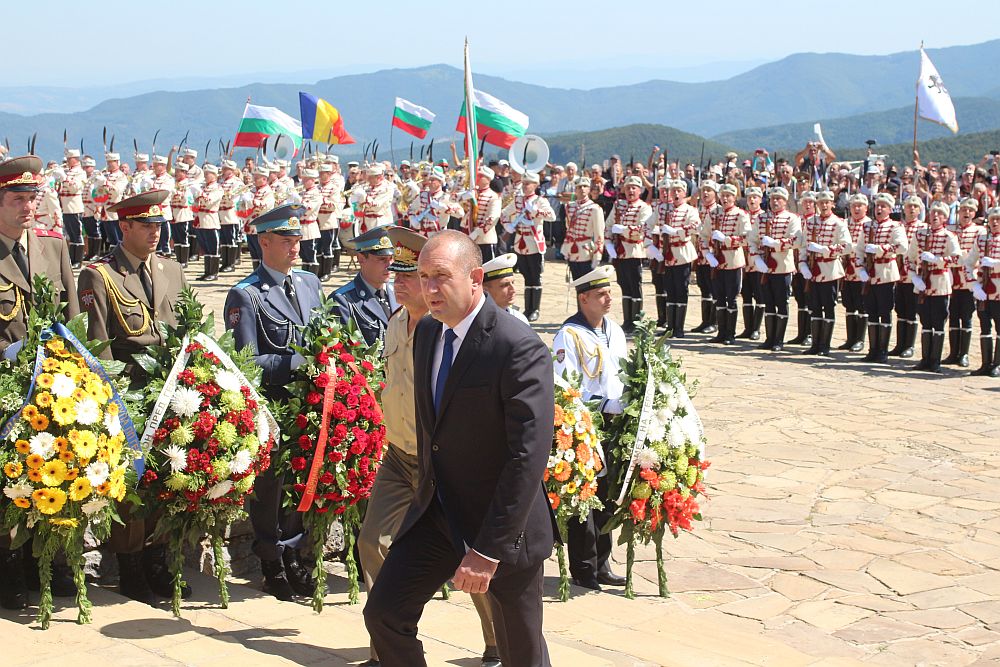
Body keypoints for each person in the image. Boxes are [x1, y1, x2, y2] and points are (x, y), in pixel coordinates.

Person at [364, 230, 556, 667]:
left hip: (501, 529)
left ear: (474, 278)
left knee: (520, 652)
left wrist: (487, 551)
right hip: (437, 515)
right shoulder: (429, 334)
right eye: (423, 276)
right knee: (384, 613)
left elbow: (526, 457)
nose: (429, 289)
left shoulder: (517, 346)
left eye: (440, 277)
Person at [358, 226, 501, 667]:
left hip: (444, 465)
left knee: (470, 555)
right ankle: (391, 635)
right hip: (400, 456)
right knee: (371, 541)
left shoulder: (449, 334)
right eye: (397, 275)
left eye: (411, 276)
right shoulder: (396, 323)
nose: (401, 283)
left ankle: (497, 643)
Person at [77, 189, 189, 604]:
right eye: (146, 225)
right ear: (124, 227)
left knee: (167, 476)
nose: (155, 232)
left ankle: (158, 559)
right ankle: (130, 567)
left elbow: (182, 329)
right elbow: (98, 343)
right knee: (132, 484)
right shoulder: (99, 273)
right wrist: (114, 401)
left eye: (159, 225)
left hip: (171, 390)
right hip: (130, 392)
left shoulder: (172, 269)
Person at [224, 204, 323, 601]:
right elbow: (247, 361)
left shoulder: (310, 283)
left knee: (303, 480)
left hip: (311, 404)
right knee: (272, 486)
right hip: (275, 405)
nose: (294, 247)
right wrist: (300, 362)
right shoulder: (246, 294)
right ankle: (270, 560)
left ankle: (295, 552)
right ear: (264, 242)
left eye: (297, 239)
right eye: (285, 240)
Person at [0, 155, 81, 610]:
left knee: (56, 468)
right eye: (17, 199)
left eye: (32, 198)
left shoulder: (52, 246)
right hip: (5, 386)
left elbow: (71, 313)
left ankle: (45, 560)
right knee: (8, 480)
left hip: (55, 385)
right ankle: (8, 565)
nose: (28, 207)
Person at [551, 265, 627, 591]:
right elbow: (565, 387)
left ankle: (602, 561)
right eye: (601, 294)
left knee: (608, 495)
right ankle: (584, 567)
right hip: (586, 425)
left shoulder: (614, 330)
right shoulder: (569, 336)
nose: (608, 299)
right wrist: (598, 408)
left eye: (609, 292)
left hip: (614, 423)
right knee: (585, 495)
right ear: (584, 299)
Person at [908, 202, 960, 372]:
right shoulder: (920, 234)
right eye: (933, 213)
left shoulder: (949, 236)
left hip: (939, 282)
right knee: (925, 321)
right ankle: (925, 359)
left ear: (945, 218)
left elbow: (956, 259)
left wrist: (937, 259)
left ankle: (935, 360)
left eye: (939, 214)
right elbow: (909, 258)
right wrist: (914, 277)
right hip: (922, 282)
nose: (935, 216)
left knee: (938, 321)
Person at [749, 187, 802, 352]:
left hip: (782, 266)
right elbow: (752, 240)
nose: (775, 202)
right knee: (768, 302)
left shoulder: (792, 218)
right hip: (765, 267)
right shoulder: (761, 218)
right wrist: (756, 258)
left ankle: (779, 339)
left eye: (779, 199)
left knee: (781, 302)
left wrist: (776, 244)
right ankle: (769, 338)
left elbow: (797, 241)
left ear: (785, 201)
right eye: (773, 199)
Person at [859, 193, 909, 363]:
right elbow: (859, 249)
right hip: (870, 273)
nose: (879, 209)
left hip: (886, 271)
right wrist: (860, 268)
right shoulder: (867, 227)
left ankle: (883, 350)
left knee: (884, 311)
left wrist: (880, 249)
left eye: (883, 206)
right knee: (871, 311)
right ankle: (873, 349)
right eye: (877, 206)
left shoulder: (895, 227)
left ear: (889, 209)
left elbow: (902, 247)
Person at [502, 171, 555, 322]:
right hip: (520, 242)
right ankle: (528, 308)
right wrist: (508, 227)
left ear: (535, 185)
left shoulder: (540, 201)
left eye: (528, 184)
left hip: (534, 243)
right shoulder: (518, 201)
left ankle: (535, 309)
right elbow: (504, 214)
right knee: (525, 275)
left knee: (535, 276)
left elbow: (552, 216)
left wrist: (535, 211)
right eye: (524, 184)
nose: (525, 186)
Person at [802, 191, 851, 356]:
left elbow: (847, 246)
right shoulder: (810, 222)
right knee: (814, 307)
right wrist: (802, 263)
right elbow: (803, 244)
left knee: (828, 307)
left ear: (832, 204)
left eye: (827, 202)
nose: (823, 205)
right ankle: (815, 343)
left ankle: (825, 345)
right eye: (821, 202)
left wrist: (825, 250)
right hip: (813, 269)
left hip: (830, 269)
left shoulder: (839, 223)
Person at [331, 226, 398, 346]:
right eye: (382, 259)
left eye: (391, 258)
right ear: (361, 258)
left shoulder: (398, 291)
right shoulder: (343, 300)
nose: (390, 265)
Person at [702, 183, 750, 345]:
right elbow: (703, 235)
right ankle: (721, 332)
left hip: (733, 260)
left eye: (728, 195)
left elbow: (746, 238)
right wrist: (707, 254)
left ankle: (730, 333)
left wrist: (726, 239)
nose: (725, 198)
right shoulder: (713, 214)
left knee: (732, 297)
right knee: (719, 297)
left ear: (734, 197)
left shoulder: (741, 215)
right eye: (722, 195)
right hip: (716, 261)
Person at [604, 175, 653, 332]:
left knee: (635, 285)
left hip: (634, 251)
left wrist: (624, 230)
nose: (631, 190)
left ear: (640, 190)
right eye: (628, 187)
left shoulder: (644, 207)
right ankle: (627, 321)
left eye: (634, 188)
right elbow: (608, 224)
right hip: (620, 251)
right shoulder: (619, 205)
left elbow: (642, 229)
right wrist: (608, 243)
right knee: (624, 284)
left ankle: (637, 322)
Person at [942, 198, 985, 367]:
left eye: (970, 211)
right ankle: (953, 352)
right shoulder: (951, 231)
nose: (966, 213)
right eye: (963, 210)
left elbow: (977, 255)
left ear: (974, 213)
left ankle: (964, 354)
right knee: (953, 315)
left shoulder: (979, 231)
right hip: (952, 278)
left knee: (966, 316)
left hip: (968, 279)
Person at [655, 179, 700, 337]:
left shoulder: (690, 210)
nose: (675, 193)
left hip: (682, 253)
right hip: (667, 254)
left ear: (684, 193)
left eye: (678, 190)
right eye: (673, 191)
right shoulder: (663, 209)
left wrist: (676, 231)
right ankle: (670, 327)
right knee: (670, 290)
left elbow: (695, 226)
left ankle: (679, 327)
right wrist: (651, 245)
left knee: (681, 289)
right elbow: (648, 224)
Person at [889, 197, 927, 358]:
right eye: (908, 206)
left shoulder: (924, 228)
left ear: (919, 210)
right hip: (899, 273)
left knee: (911, 310)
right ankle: (900, 344)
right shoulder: (899, 227)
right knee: (900, 309)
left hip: (914, 274)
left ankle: (909, 345)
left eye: (915, 207)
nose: (911, 209)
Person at [966, 207, 1000, 376]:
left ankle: (998, 363)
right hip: (983, 291)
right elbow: (968, 263)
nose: (994, 222)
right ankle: (986, 363)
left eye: (998, 219)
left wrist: (996, 263)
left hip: (999, 290)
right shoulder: (981, 239)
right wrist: (974, 285)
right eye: (992, 219)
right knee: (985, 327)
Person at [839, 194, 871, 352]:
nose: (856, 208)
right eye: (853, 205)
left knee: (862, 305)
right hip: (847, 268)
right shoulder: (845, 223)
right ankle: (850, 338)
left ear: (866, 207)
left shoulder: (869, 225)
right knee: (849, 304)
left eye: (860, 205)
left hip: (861, 268)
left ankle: (859, 339)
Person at [560, 176, 604, 280]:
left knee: (587, 285)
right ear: (575, 190)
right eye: (579, 187)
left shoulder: (595, 208)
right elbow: (568, 229)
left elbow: (599, 234)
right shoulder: (570, 207)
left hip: (586, 251)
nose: (582, 189)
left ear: (589, 189)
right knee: (576, 283)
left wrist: (598, 255)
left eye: (585, 186)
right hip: (572, 250)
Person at [692, 181, 721, 334]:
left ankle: (714, 321)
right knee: (703, 287)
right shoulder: (699, 210)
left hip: (713, 254)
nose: (705, 193)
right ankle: (705, 320)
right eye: (703, 190)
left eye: (709, 190)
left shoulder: (718, 211)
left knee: (714, 288)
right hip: (701, 254)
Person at [737, 186, 766, 340]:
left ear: (760, 199)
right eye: (749, 197)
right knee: (746, 294)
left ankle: (756, 329)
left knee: (759, 295)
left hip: (758, 259)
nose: (752, 200)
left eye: (755, 197)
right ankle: (748, 328)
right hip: (744, 258)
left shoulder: (764, 216)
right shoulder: (743, 215)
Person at [788, 191, 816, 347]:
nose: (807, 205)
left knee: (811, 300)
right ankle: (801, 333)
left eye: (810, 202)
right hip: (798, 263)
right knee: (800, 300)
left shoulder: (816, 221)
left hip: (812, 264)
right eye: (805, 202)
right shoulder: (798, 220)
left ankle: (810, 333)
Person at [406, 166, 463, 237]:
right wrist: (412, 219)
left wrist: (444, 208)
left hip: (439, 235)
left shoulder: (446, 197)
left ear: (440, 182)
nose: (429, 182)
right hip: (423, 235)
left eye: (433, 180)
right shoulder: (422, 195)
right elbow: (411, 209)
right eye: (429, 179)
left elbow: (460, 213)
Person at [462, 165, 502, 262]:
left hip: (485, 239)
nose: (478, 178)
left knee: (487, 269)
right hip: (469, 235)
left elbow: (493, 218)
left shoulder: (493, 196)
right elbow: (453, 200)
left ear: (488, 179)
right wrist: (463, 196)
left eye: (481, 176)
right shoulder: (473, 193)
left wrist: (476, 233)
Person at [56, 148, 87, 267]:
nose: (67, 161)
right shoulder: (68, 171)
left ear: (75, 159)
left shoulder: (80, 172)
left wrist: (64, 178)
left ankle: (78, 260)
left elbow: (75, 187)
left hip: (74, 205)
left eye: (69, 159)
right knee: (70, 233)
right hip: (66, 206)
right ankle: (72, 258)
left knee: (77, 233)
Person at [194, 163, 223, 281]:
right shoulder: (203, 188)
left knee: (212, 247)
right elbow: (196, 202)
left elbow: (209, 201)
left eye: (208, 174)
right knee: (205, 247)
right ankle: (207, 271)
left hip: (211, 219)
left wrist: (201, 197)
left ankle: (214, 272)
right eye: (205, 174)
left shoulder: (217, 188)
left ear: (214, 175)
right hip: (201, 219)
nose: (205, 176)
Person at [481, 252, 529, 324]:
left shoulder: (519, 318)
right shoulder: (477, 322)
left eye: (513, 282)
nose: (513, 290)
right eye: (505, 285)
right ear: (485, 290)